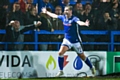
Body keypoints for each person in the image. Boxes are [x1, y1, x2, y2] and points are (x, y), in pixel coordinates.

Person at [42, 6, 96, 77]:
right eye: (65, 10)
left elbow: (79, 22)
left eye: (67, 10)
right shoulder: (63, 17)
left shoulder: (74, 18)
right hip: (67, 40)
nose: (65, 12)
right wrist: (47, 12)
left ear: (71, 11)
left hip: (75, 41)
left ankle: (91, 67)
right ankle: (61, 71)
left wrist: (85, 24)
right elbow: (55, 16)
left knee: (82, 56)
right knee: (60, 53)